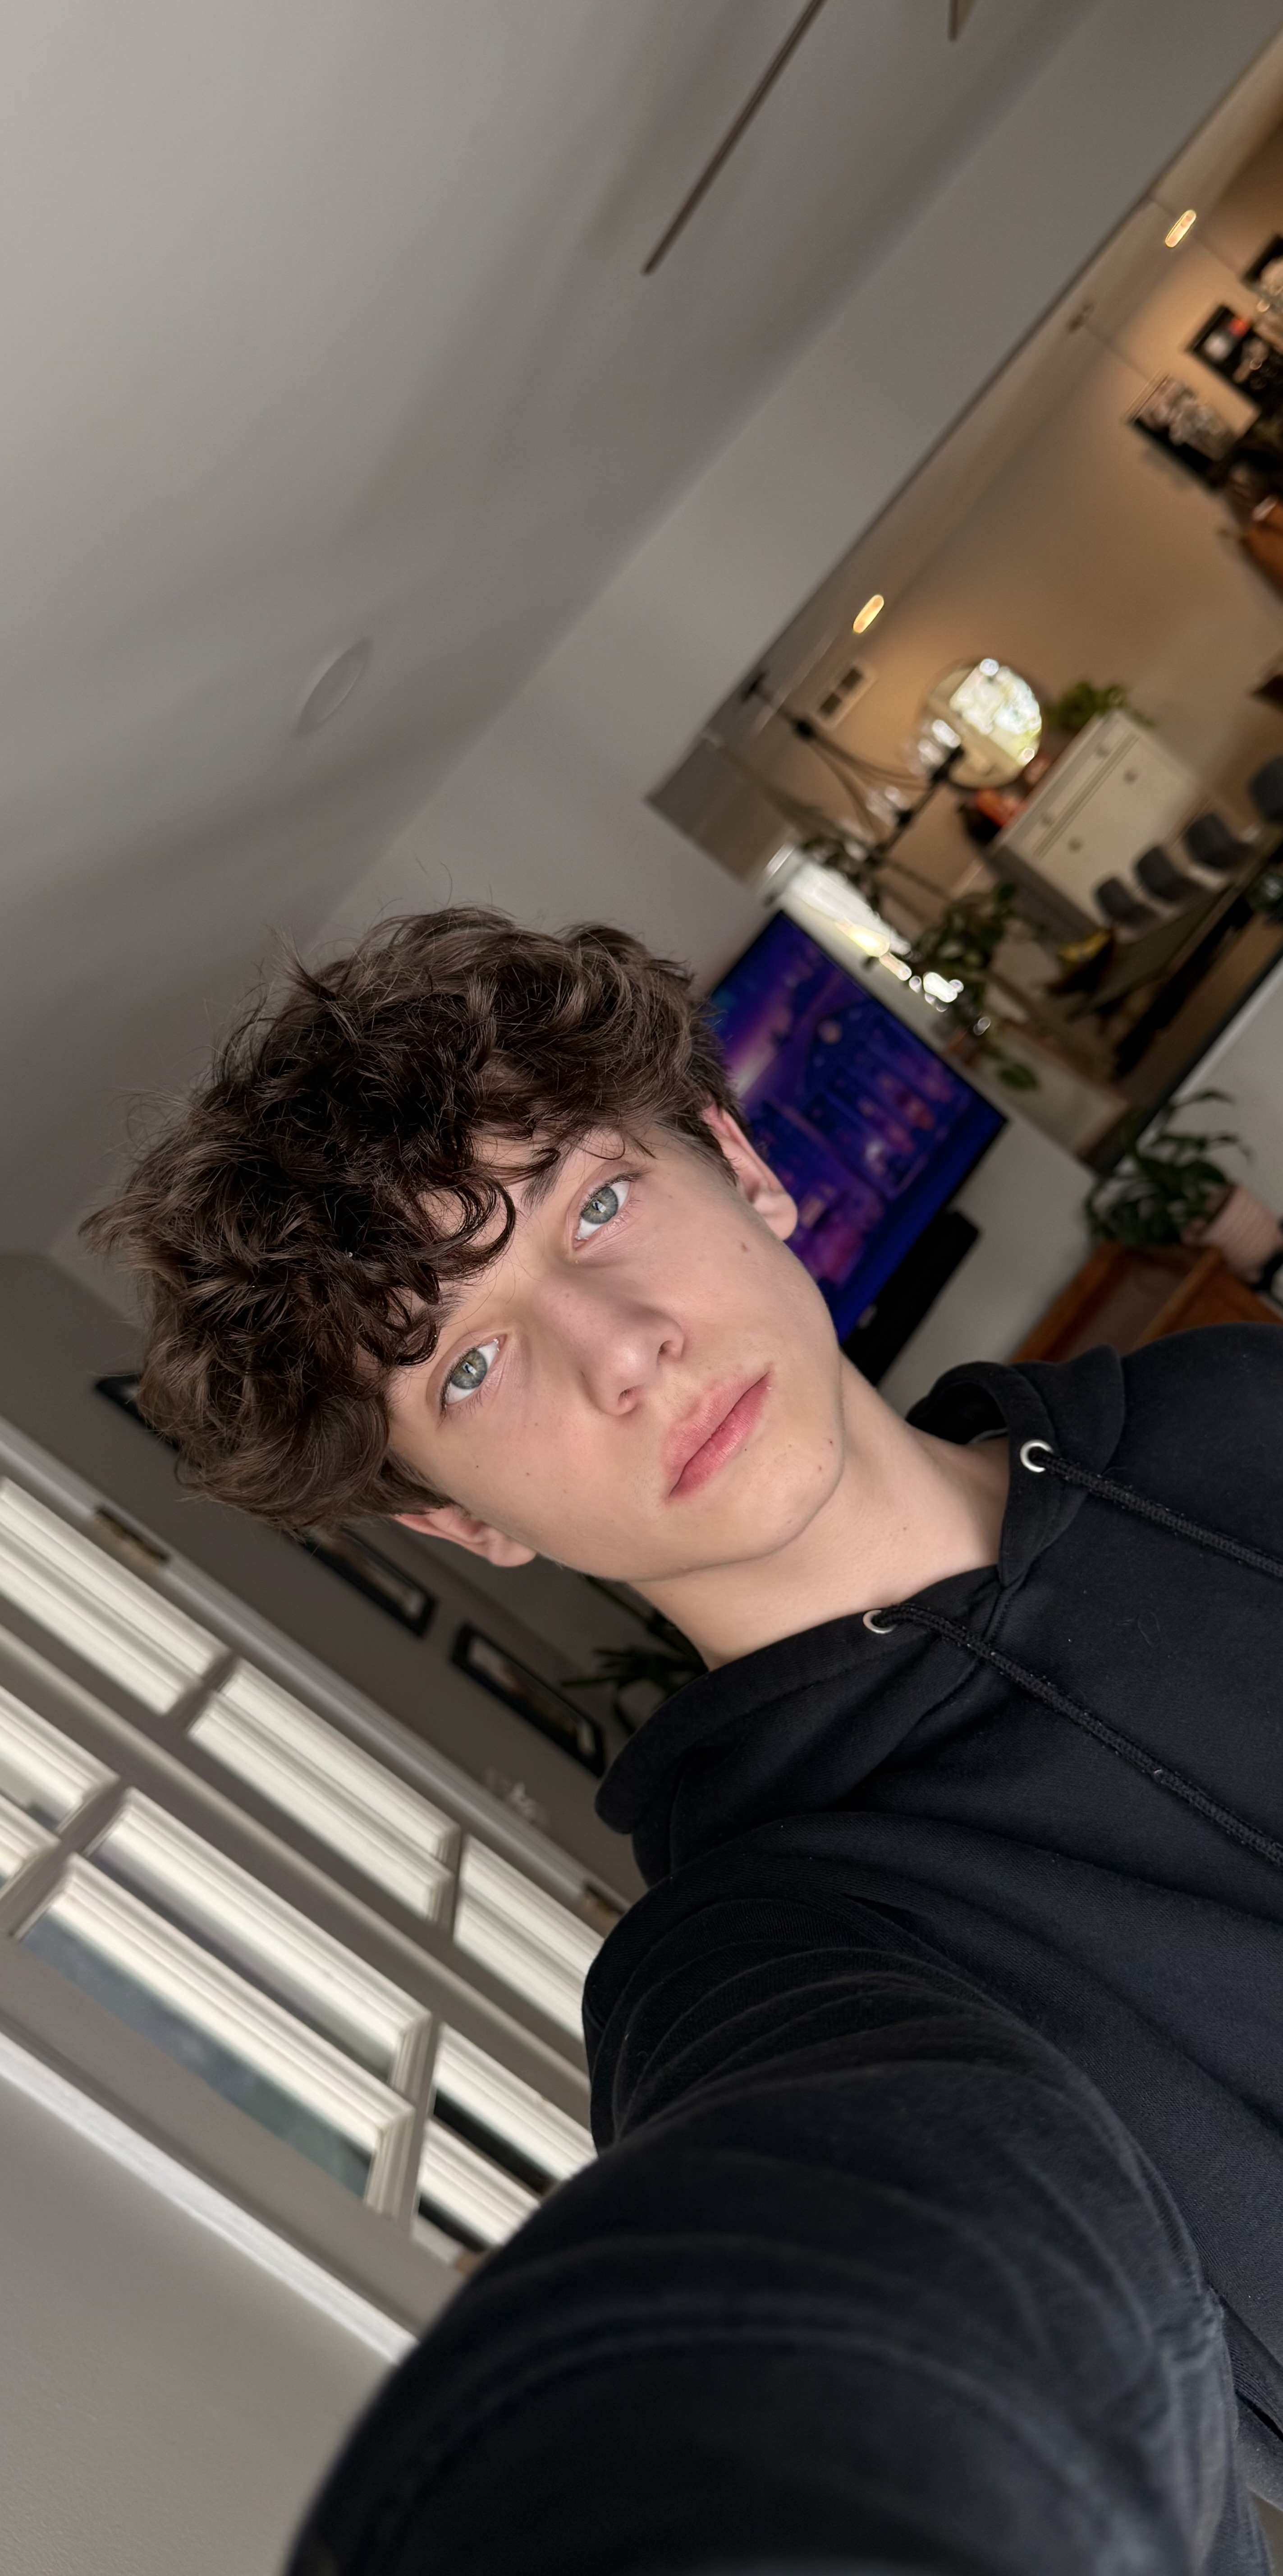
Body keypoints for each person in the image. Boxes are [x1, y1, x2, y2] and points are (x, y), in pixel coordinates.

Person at [88, 908, 1283, 2570]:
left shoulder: (1241, 1400)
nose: (621, 1350)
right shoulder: (756, 1950)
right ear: (458, 1520)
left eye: (596, 1203)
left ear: (745, 1168)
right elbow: (894, 2273)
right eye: (472, 1365)